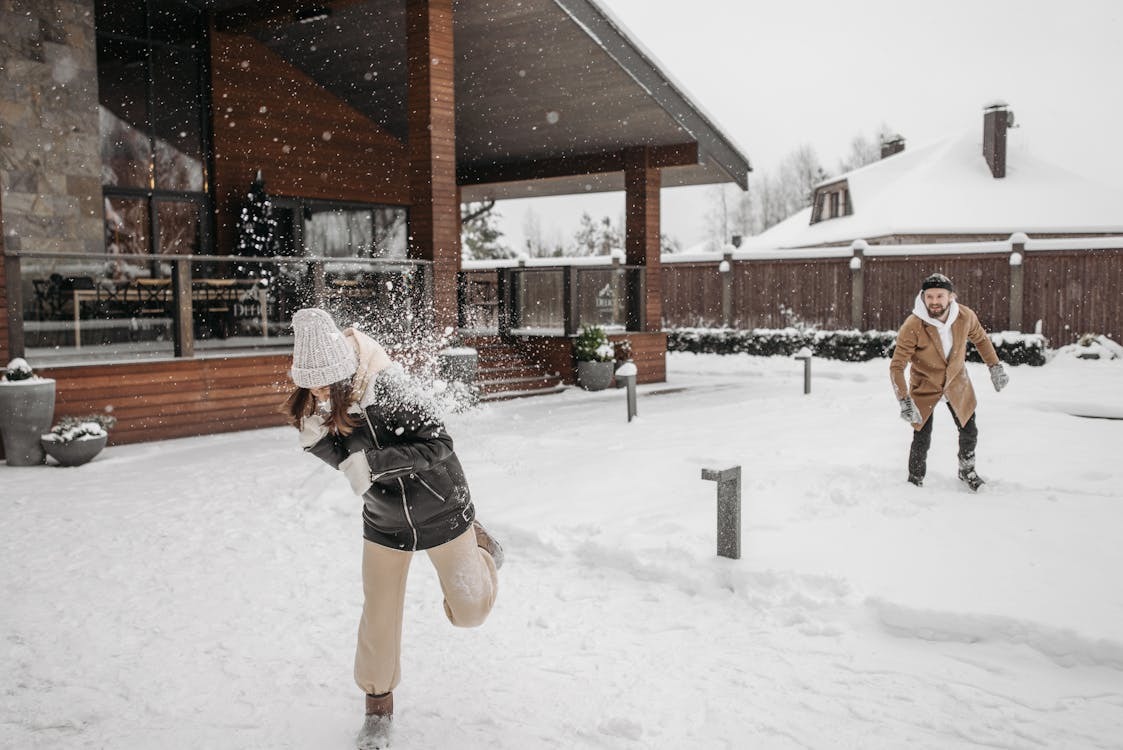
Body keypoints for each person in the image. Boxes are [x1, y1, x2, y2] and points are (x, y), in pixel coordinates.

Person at [284, 308, 502, 749]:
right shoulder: (318, 401)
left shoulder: (388, 386)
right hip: (384, 522)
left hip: (442, 508)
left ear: (344, 372)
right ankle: (377, 708)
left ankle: (483, 549)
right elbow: (350, 465)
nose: (320, 393)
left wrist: (376, 462)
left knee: (471, 613)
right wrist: (319, 444)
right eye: (312, 385)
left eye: (326, 384)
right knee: (378, 617)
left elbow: (440, 443)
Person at [889, 273, 1009, 491]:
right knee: (922, 435)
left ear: (951, 296)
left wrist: (995, 366)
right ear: (923, 297)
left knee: (969, 431)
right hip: (925, 384)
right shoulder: (913, 325)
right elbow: (897, 366)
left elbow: (981, 339)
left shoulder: (965, 316)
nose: (934, 302)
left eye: (940, 296)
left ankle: (967, 472)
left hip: (957, 382)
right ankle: (915, 479)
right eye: (930, 297)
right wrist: (904, 400)